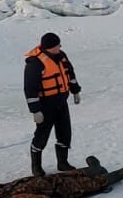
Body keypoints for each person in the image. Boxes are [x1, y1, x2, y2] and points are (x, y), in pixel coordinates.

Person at [24, 32, 82, 177]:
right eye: (57, 45)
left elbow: (70, 73)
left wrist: (75, 91)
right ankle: (36, 166)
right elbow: (30, 88)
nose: (60, 47)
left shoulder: (61, 56)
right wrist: (35, 111)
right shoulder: (35, 63)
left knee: (65, 133)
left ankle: (62, 162)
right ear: (50, 47)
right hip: (45, 105)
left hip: (61, 102)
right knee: (42, 135)